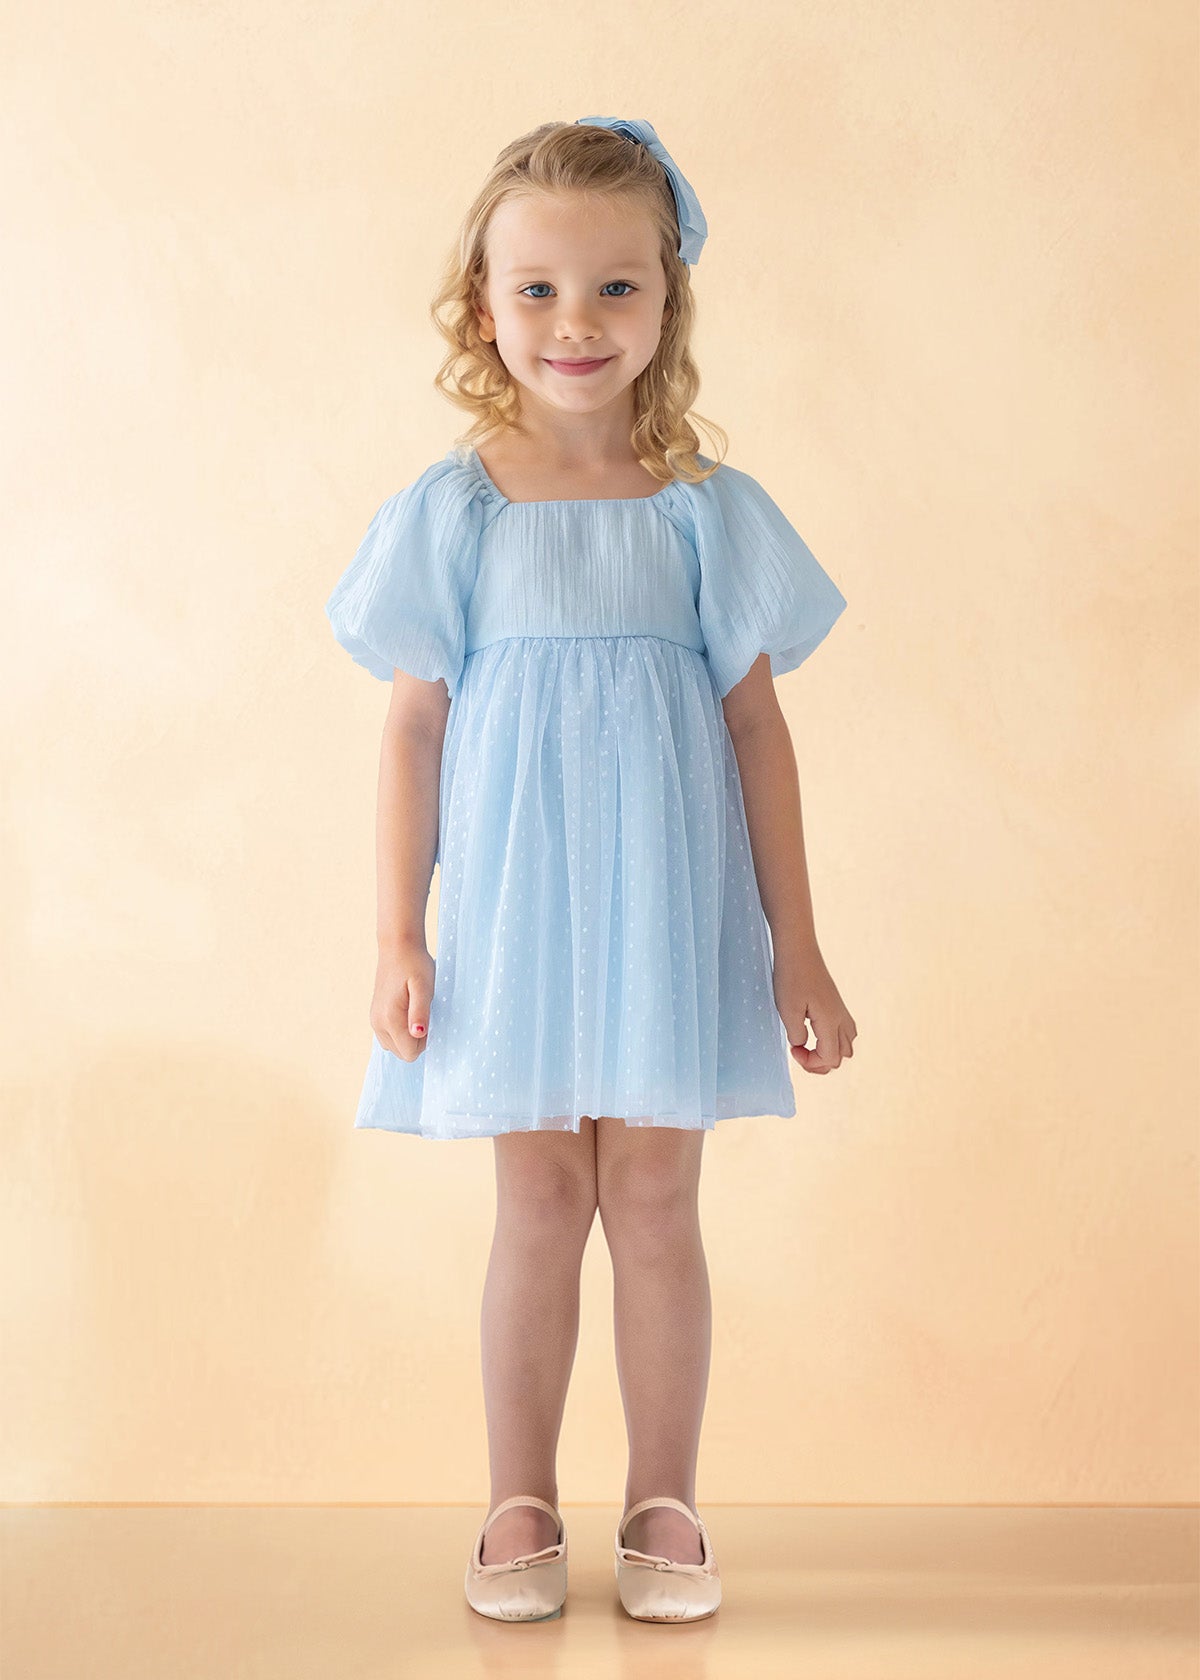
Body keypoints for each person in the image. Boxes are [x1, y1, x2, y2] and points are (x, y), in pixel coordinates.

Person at [324, 116, 857, 1624]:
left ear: (668, 300)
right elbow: (414, 732)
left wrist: (795, 947)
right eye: (539, 290)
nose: (577, 324)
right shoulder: (456, 511)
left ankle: (666, 1502)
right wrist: (395, 932)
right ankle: (518, 1499)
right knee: (541, 1200)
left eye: (617, 289)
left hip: (666, 908)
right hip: (517, 913)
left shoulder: (703, 512)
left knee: (662, 1196)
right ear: (482, 302)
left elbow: (758, 733)